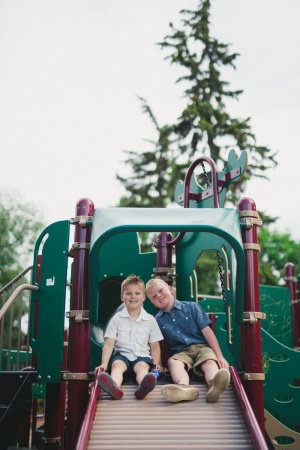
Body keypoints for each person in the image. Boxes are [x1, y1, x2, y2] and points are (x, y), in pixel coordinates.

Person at [146, 278, 230, 403]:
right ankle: (184, 389)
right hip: (181, 352)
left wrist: (220, 356)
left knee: (209, 362)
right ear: (153, 303)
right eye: (153, 296)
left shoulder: (191, 307)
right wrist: (158, 363)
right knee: (174, 363)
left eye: (160, 291)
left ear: (170, 289)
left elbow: (208, 333)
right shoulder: (157, 320)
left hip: (202, 347)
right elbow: (155, 343)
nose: (158, 296)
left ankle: (214, 385)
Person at [95, 274, 163, 400]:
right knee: (117, 366)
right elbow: (109, 343)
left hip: (142, 355)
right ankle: (114, 387)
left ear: (143, 297)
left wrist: (156, 362)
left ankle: (144, 386)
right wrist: (104, 364)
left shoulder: (150, 320)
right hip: (122, 354)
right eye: (128, 293)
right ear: (122, 297)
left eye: (137, 293)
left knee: (142, 367)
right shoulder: (116, 319)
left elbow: (154, 345)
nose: (133, 297)